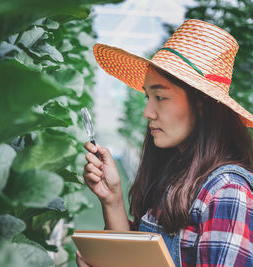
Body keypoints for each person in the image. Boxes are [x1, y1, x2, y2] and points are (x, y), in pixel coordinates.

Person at [76, 19, 253, 267]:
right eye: (148, 97)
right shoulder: (174, 174)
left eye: (160, 97)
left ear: (201, 105)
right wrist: (112, 198)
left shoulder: (227, 192)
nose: (147, 111)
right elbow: (134, 260)